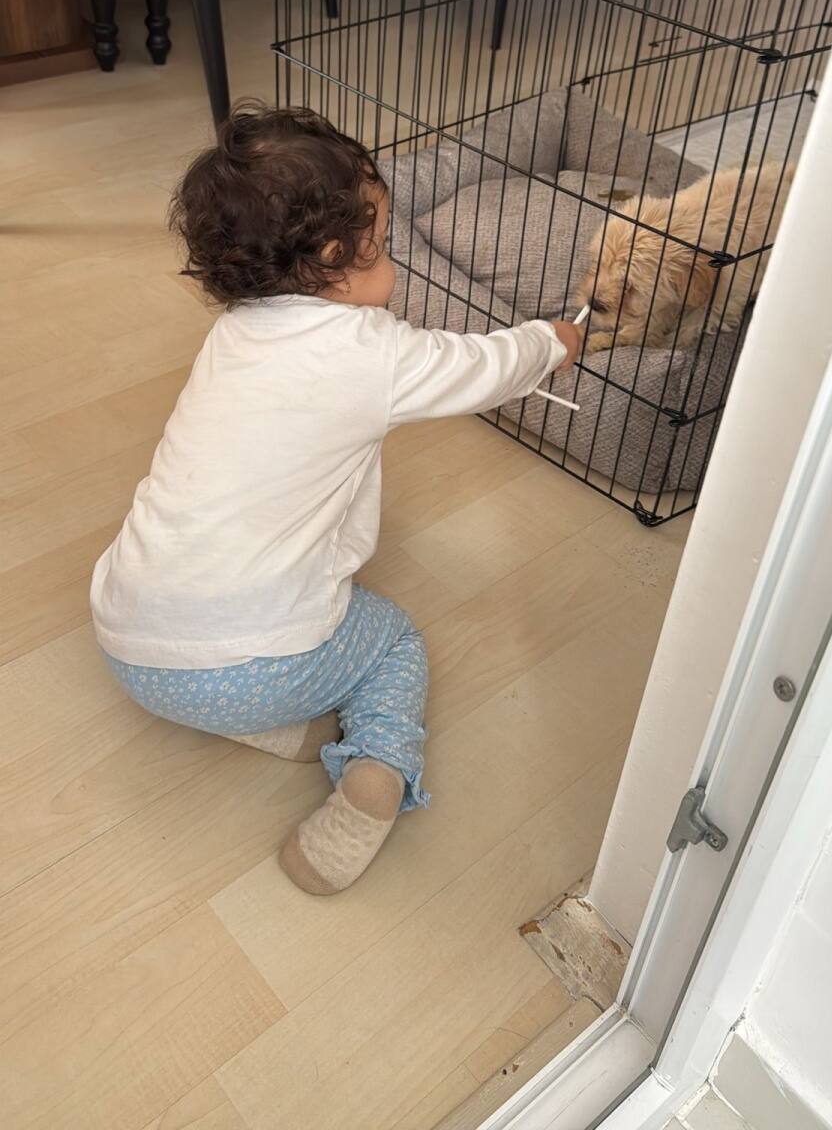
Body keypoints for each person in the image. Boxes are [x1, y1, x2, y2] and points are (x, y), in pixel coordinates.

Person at [91, 105, 584, 895]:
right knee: (394, 643)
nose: (394, 259)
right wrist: (551, 342)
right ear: (334, 259)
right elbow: (481, 368)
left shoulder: (232, 336)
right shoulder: (371, 353)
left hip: (129, 646)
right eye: (382, 244)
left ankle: (266, 721)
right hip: (254, 664)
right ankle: (377, 770)